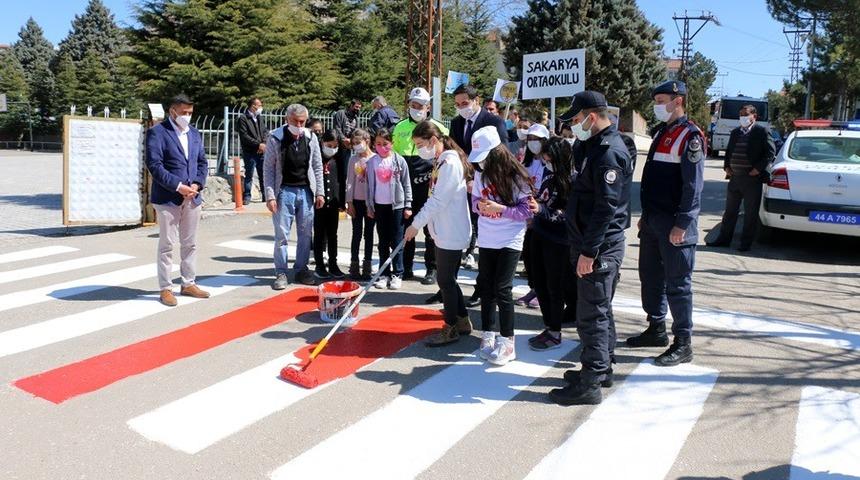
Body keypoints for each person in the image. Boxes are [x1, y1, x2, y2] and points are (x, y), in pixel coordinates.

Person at [547, 91, 633, 405]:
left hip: (598, 247)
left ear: (591, 117)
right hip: (589, 242)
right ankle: (602, 368)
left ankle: (590, 383)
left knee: (591, 316)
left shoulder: (609, 152)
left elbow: (606, 207)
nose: (573, 125)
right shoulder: (592, 146)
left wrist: (589, 251)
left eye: (576, 119)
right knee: (600, 310)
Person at [626, 80, 705, 367]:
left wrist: (682, 224)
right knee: (651, 277)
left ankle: (683, 343)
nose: (657, 106)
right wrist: (646, 217)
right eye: (656, 101)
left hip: (675, 224)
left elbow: (693, 186)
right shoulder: (662, 132)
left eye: (661, 101)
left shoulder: (690, 136)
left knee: (678, 286)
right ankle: (656, 328)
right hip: (653, 221)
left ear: (678, 100)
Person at [469, 126, 533, 366]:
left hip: (510, 239)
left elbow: (526, 211)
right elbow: (475, 201)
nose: (480, 163)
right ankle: (488, 333)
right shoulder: (480, 174)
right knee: (486, 286)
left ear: (496, 153)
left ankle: (507, 342)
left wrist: (501, 209)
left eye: (484, 157)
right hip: (487, 237)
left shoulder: (517, 176)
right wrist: (480, 206)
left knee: (503, 288)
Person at [405, 121, 473, 346]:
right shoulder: (441, 161)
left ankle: (450, 327)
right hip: (443, 230)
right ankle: (462, 321)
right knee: (448, 280)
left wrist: (415, 224)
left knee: (445, 281)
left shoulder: (450, 163)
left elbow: (438, 200)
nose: (419, 150)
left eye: (420, 144)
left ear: (433, 140)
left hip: (451, 231)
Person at [145, 94, 211, 306]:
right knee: (167, 245)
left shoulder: (194, 133)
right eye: (184, 113)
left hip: (192, 197)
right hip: (168, 197)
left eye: (190, 113)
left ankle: (188, 283)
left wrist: (197, 184)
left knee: (190, 243)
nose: (187, 116)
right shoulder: (157, 132)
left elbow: (202, 162)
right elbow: (155, 165)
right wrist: (177, 186)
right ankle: (165, 288)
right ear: (172, 111)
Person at [450, 84, 509, 308]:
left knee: (485, 241)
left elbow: (502, 156)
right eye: (457, 104)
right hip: (463, 187)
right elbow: (456, 153)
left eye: (465, 103)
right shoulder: (456, 123)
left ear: (477, 100)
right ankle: (449, 287)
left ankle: (482, 290)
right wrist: (464, 179)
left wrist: (481, 182)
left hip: (487, 188)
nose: (461, 108)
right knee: (458, 234)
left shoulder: (494, 122)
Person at [392, 87, 448, 294]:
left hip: (429, 183)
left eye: (420, 105)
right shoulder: (399, 127)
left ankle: (431, 268)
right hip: (407, 184)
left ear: (428, 107)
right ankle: (406, 267)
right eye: (413, 104)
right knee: (407, 225)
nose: (416, 108)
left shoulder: (439, 127)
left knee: (430, 227)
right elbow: (395, 155)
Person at [264, 103, 325, 289]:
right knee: (282, 235)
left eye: (302, 122)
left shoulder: (311, 137)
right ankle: (281, 271)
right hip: (284, 191)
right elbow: (268, 169)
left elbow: (317, 166)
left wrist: (320, 192)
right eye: (295, 121)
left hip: (306, 191)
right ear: (287, 119)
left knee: (305, 234)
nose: (299, 125)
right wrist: (270, 196)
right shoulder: (275, 138)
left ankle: (301, 269)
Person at [526, 137, 575, 351]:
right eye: (544, 159)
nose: (546, 163)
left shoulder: (573, 179)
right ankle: (548, 326)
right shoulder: (548, 173)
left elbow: (567, 214)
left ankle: (555, 331)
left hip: (559, 240)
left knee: (554, 286)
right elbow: (544, 198)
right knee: (539, 283)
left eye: (549, 159)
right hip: (539, 232)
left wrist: (542, 210)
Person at [707, 104, 775, 251]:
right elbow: (729, 151)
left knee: (750, 214)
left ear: (754, 116)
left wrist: (758, 169)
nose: (742, 117)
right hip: (735, 178)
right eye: (741, 115)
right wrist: (726, 166)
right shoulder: (735, 132)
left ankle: (745, 244)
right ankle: (723, 240)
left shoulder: (762, 131)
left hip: (752, 180)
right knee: (730, 212)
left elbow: (770, 152)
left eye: (745, 114)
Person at [367, 128, 413, 290]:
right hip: (379, 206)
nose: (381, 147)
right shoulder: (371, 162)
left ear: (391, 143)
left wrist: (408, 205)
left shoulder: (399, 161)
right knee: (383, 242)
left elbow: (406, 183)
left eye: (385, 143)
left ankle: (397, 273)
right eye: (378, 144)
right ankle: (383, 273)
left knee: (397, 241)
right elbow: (369, 186)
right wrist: (369, 206)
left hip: (397, 207)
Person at [515, 122, 550, 309]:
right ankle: (534, 288)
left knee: (543, 256)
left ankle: (543, 292)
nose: (533, 142)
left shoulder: (549, 163)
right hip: (526, 214)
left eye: (537, 139)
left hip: (544, 214)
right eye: (530, 139)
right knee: (529, 255)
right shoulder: (526, 162)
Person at [313, 130, 344, 279]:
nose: (332, 148)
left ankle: (333, 264)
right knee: (319, 235)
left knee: (333, 235)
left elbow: (341, 181)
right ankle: (319, 265)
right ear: (322, 143)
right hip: (319, 204)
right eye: (329, 145)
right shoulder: (316, 158)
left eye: (334, 146)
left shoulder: (338, 159)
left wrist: (342, 201)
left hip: (333, 203)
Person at [345, 128, 375, 280]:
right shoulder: (353, 159)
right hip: (356, 201)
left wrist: (373, 203)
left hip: (370, 202)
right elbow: (350, 181)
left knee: (369, 234)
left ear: (367, 141)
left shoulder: (375, 159)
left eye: (358, 142)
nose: (356, 145)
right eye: (354, 143)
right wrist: (349, 202)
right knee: (356, 233)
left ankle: (367, 266)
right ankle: (354, 265)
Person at [236, 97, 266, 204]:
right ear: (253, 106)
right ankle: (247, 196)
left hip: (261, 151)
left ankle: (265, 195)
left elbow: (264, 132)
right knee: (249, 174)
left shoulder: (259, 117)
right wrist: (258, 145)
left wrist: (263, 144)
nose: (261, 107)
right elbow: (244, 136)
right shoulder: (243, 118)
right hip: (250, 152)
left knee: (263, 174)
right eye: (259, 105)